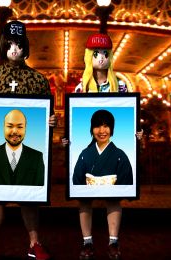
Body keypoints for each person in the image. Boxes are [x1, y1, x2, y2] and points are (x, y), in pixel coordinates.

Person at [0, 20, 57, 260]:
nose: (14, 49)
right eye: (9, 43)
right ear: (3, 45)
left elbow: (47, 115)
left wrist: (52, 123)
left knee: (29, 198)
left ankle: (34, 243)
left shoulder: (38, 80)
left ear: (25, 47)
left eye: (18, 44)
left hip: (28, 149)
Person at [63, 32, 141, 260]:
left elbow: (130, 114)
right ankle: (87, 242)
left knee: (113, 199)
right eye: (95, 53)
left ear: (111, 56)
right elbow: (73, 119)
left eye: (105, 53)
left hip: (112, 163)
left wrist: (136, 132)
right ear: (89, 56)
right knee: (83, 199)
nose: (100, 58)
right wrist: (67, 138)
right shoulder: (81, 88)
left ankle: (113, 241)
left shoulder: (122, 86)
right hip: (87, 157)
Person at [0, 109, 45, 186]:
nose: (15, 131)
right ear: (3, 127)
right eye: (10, 126)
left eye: (20, 127)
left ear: (25, 128)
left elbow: (39, 187)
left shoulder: (37, 157)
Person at [73, 109, 133, 186]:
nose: (101, 131)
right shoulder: (85, 154)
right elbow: (77, 182)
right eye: (97, 126)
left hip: (112, 197)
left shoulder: (120, 156)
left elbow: (126, 184)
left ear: (112, 129)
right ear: (92, 128)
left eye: (106, 126)